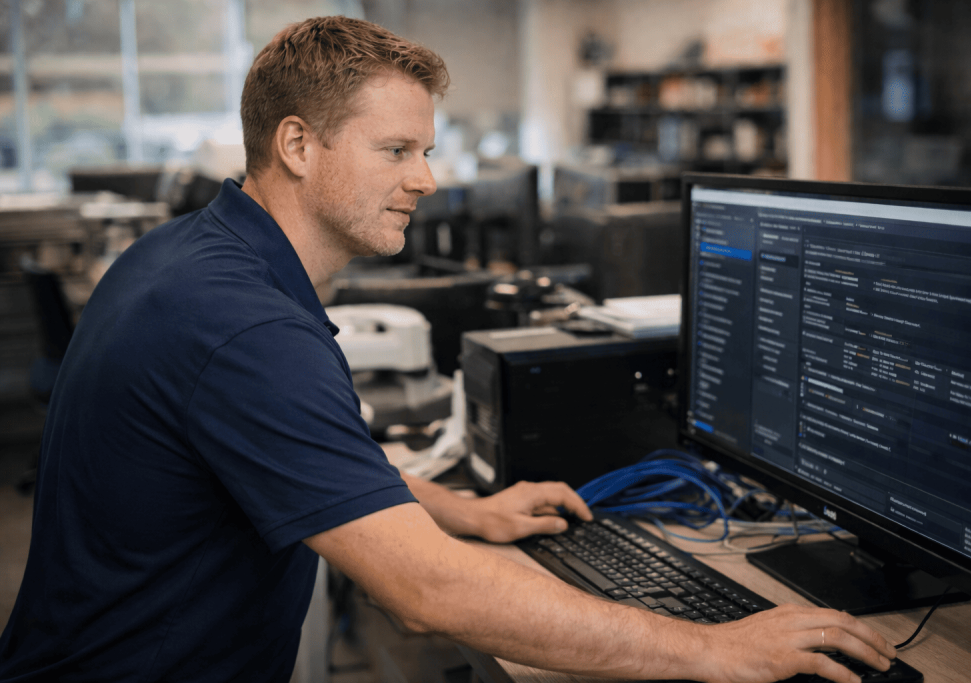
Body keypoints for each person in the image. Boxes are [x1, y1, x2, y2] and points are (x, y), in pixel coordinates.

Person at [0, 15, 897, 683]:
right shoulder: (246, 326)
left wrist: (461, 510)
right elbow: (429, 595)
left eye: (425, 150)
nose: (426, 180)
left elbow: (308, 457)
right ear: (297, 144)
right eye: (396, 149)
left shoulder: (189, 255)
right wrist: (711, 647)